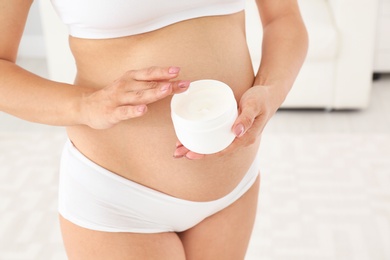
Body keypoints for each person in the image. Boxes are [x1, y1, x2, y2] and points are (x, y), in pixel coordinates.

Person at [0, 0, 308, 259]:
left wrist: (270, 90)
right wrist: (86, 104)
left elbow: (284, 19)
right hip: (119, 201)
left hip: (233, 193)